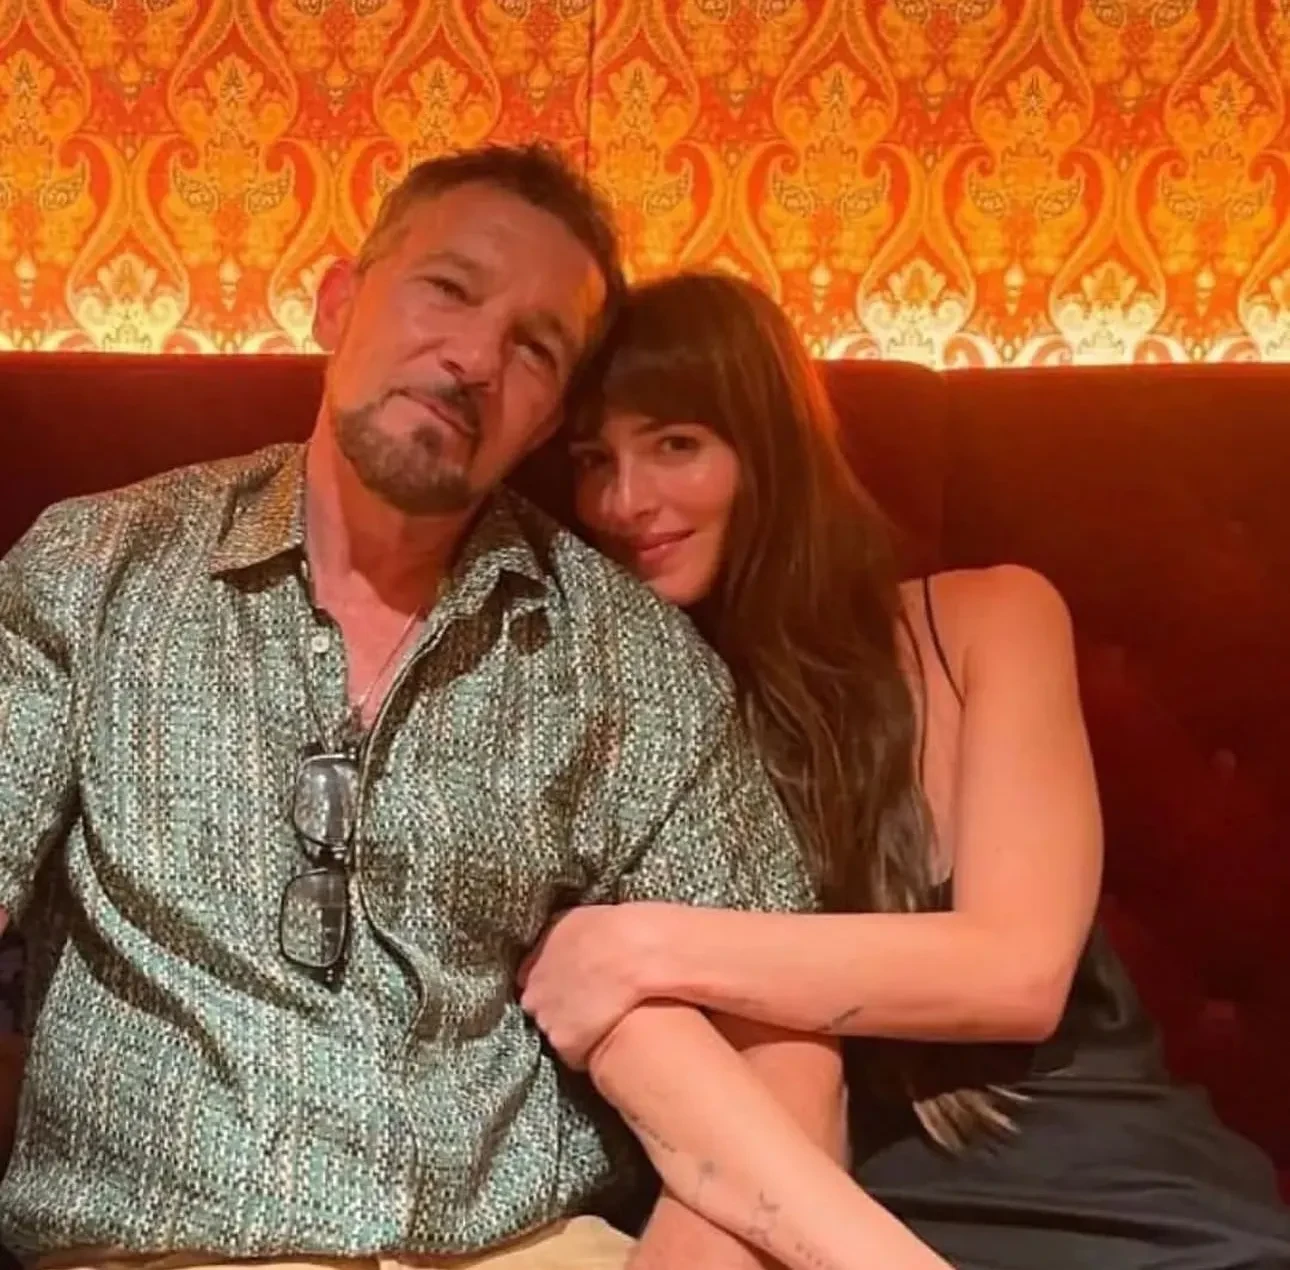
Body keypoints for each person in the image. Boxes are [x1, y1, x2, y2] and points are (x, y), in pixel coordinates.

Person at [0, 148, 951, 1270]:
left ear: (547, 423)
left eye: (535, 348)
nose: (474, 360)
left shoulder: (620, 651)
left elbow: (778, 1043)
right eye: (448, 289)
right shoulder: (99, 566)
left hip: (529, 1247)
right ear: (339, 304)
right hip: (163, 1247)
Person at [518, 270, 1290, 1269]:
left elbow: (1016, 973)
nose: (625, 502)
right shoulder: (632, 719)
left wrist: (641, 943)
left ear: (769, 447)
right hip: (845, 1203)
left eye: (675, 444)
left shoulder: (987, 622)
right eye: (595, 460)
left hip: (1113, 1174)